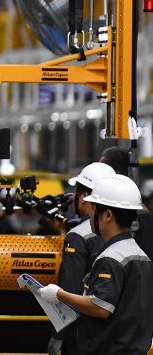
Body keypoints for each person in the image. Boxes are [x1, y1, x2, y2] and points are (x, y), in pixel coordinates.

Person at [38, 175, 153, 355]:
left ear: (107, 215)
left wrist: (59, 294)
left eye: (94, 209)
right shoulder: (139, 255)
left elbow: (100, 307)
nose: (90, 215)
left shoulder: (112, 257)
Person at [48, 162, 115, 355]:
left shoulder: (78, 237)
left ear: (84, 196)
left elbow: (69, 290)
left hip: (83, 336)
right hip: (115, 334)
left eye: (76, 192)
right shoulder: (122, 234)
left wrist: (58, 335)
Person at [99, 147, 153, 258]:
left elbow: (146, 257)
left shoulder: (140, 212)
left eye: (103, 171)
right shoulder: (105, 207)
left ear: (117, 174)